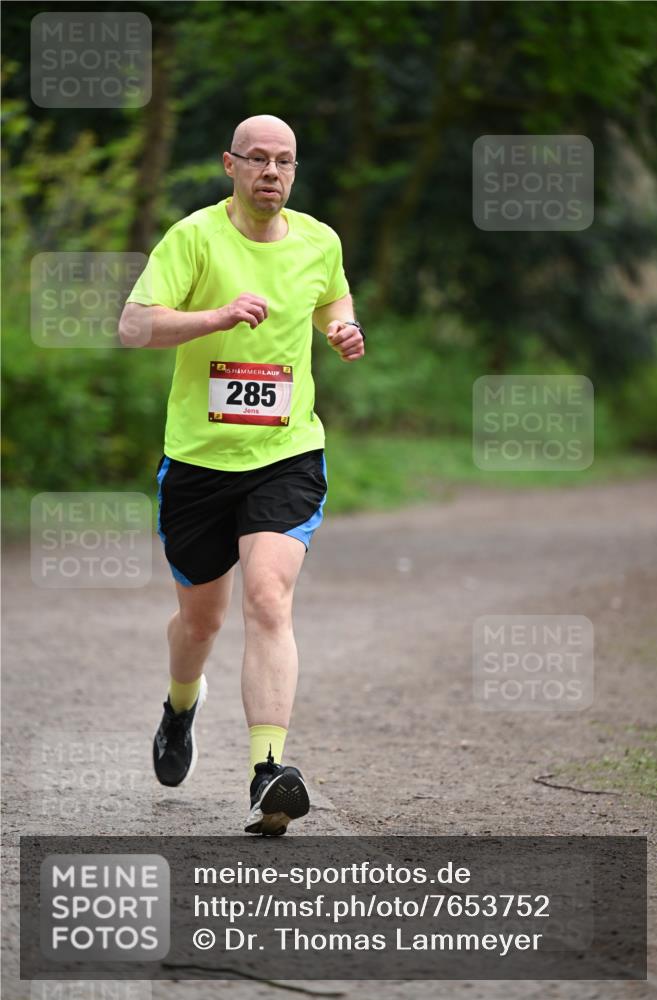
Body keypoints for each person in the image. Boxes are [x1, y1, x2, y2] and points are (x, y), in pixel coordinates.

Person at [119, 115, 364, 836]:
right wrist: (217, 317)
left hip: (286, 452)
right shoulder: (194, 238)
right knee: (201, 621)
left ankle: (268, 772)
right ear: (230, 165)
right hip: (197, 461)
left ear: (293, 171)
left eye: (283, 161)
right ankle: (180, 704)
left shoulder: (319, 240)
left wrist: (339, 328)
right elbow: (134, 327)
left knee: (268, 597)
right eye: (256, 159)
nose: (270, 172)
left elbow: (332, 296)